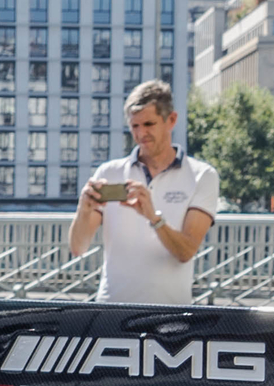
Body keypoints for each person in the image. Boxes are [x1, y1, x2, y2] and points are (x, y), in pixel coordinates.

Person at [69, 78, 219, 305]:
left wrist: (153, 217)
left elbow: (186, 251)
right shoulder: (109, 172)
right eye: (134, 126)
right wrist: (83, 210)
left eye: (148, 124)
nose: (140, 134)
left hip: (171, 313)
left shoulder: (202, 175)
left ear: (171, 120)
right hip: (111, 310)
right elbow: (78, 248)